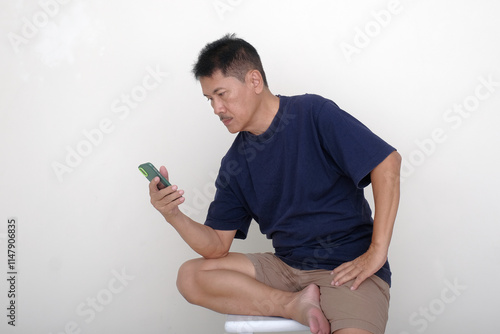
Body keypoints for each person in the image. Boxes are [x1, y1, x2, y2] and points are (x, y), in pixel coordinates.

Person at [148, 34, 401, 334]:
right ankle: (292, 304)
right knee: (189, 276)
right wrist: (172, 214)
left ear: (254, 81)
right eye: (209, 100)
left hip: (347, 268)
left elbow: (387, 162)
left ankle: (311, 300)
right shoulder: (235, 163)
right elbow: (216, 245)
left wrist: (377, 252)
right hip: (287, 269)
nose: (216, 108)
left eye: (221, 94)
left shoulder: (313, 113)